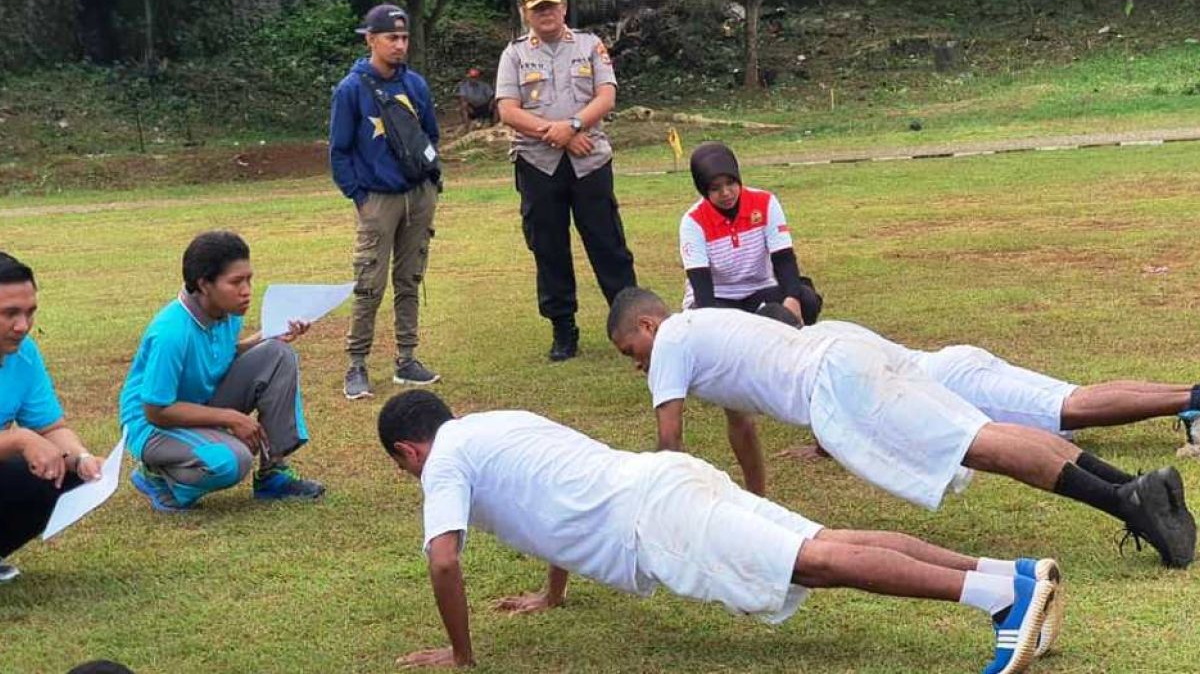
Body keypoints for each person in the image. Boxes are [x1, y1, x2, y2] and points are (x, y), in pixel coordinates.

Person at [380, 390, 1062, 673]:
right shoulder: (498, 425)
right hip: (666, 479)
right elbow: (554, 503)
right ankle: (1012, 576)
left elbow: (444, 562)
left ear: (410, 452)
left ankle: (999, 604)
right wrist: (550, 594)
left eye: (405, 470)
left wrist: (461, 656)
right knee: (826, 540)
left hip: (658, 519)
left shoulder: (444, 462)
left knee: (817, 562)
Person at [606, 287, 1196, 569]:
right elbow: (742, 429)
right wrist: (757, 508)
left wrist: (680, 513)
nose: (635, 363)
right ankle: (1131, 487)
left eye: (630, 348)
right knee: (977, 430)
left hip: (836, 380)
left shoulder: (675, 340)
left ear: (650, 324)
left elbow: (669, 440)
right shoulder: (708, 329)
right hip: (845, 350)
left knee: (976, 446)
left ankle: (1125, 501)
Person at [751, 301, 1200, 455]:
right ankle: (1189, 396)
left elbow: (848, 407)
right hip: (954, 363)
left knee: (1072, 409)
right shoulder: (831, 328)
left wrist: (820, 448)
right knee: (1073, 397)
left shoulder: (819, 352)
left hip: (955, 386)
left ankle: (1190, 400)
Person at [118, 231, 324, 512]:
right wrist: (230, 417)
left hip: (197, 403)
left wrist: (270, 335)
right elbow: (156, 410)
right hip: (153, 425)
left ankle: (272, 474)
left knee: (278, 354)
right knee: (232, 460)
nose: (247, 290)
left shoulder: (225, 313)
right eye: (236, 282)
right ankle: (159, 477)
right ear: (204, 284)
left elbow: (224, 354)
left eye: (249, 279)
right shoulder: (171, 333)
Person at [496, 0, 637, 362]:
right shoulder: (515, 54)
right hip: (538, 164)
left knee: (608, 244)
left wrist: (573, 126)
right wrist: (556, 133)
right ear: (526, 13)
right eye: (537, 8)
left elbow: (606, 96)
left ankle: (630, 323)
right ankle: (563, 329)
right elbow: (508, 109)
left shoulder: (590, 46)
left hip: (589, 159)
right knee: (549, 248)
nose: (546, 13)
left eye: (552, 5)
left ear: (564, 7)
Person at [330, 3, 441, 398]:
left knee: (410, 277)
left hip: (418, 195)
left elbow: (431, 135)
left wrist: (428, 180)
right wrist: (359, 197)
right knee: (369, 284)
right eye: (391, 37)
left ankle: (407, 359)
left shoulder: (416, 86)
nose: (399, 45)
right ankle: (356, 364)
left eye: (404, 37)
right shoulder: (351, 90)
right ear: (371, 40)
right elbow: (339, 151)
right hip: (378, 199)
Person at [0, 253, 104, 582]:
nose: (23, 326)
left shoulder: (24, 354)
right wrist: (19, 439)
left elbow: (51, 427)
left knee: (62, 472)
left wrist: (81, 459)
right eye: (9, 314)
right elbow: (27, 438)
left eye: (30, 312)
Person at [680, 141, 822, 325]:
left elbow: (783, 258)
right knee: (709, 324)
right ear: (703, 190)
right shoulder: (692, 222)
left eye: (730, 183)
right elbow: (701, 284)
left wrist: (791, 298)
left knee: (806, 300)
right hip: (718, 297)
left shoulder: (765, 202)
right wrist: (712, 321)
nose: (726, 193)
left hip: (759, 289)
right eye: (715, 188)